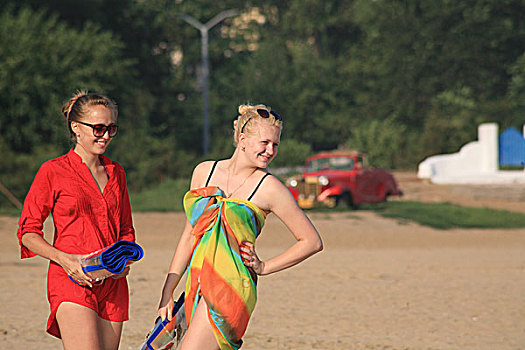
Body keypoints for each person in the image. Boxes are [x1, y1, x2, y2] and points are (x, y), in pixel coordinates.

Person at [157, 104, 323, 350]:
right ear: (242, 139)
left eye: (275, 145)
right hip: (197, 281)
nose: (270, 151)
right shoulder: (204, 171)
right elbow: (189, 236)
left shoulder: (270, 187)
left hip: (232, 286)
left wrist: (264, 266)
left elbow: (312, 241)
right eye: (265, 143)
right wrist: (168, 290)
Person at [16, 91, 136, 350]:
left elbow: (126, 230)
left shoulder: (117, 173)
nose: (105, 135)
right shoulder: (53, 171)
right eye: (98, 128)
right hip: (70, 279)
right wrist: (65, 260)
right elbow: (28, 232)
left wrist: (124, 260)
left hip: (113, 285)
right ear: (76, 128)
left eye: (111, 128)